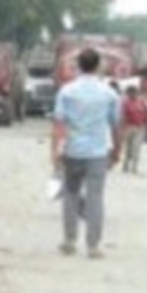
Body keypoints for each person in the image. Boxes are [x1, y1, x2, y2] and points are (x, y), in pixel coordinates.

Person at [51, 48, 122, 258]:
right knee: (96, 197)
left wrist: (55, 151)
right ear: (98, 66)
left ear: (78, 66)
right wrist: (117, 150)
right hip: (98, 152)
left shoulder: (67, 92)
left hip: (73, 150)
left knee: (71, 195)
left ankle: (69, 240)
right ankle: (93, 245)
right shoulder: (109, 94)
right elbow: (115, 125)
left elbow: (59, 123)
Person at [119, 83, 147, 174]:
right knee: (128, 147)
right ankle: (126, 164)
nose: (132, 95)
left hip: (140, 128)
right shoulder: (125, 103)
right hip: (129, 127)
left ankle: (134, 166)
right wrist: (122, 128)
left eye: (134, 93)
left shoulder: (142, 103)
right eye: (130, 93)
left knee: (136, 147)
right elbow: (123, 116)